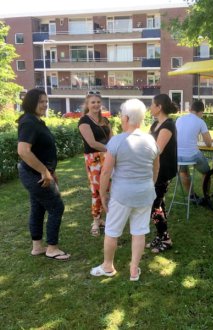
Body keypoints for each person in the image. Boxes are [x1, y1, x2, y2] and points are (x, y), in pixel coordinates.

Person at [90, 99, 159, 279]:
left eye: (121, 115)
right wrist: (150, 184)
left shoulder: (117, 141)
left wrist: (103, 194)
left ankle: (107, 267)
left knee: (112, 231)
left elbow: (105, 172)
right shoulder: (151, 140)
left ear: (126, 117)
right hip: (145, 193)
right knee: (139, 231)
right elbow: (156, 167)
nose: (121, 118)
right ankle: (134, 269)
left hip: (122, 194)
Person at [17, 88, 70, 260]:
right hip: (34, 174)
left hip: (38, 173)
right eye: (41, 101)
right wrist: (44, 172)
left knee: (38, 208)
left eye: (46, 101)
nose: (45, 105)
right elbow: (23, 151)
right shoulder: (29, 122)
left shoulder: (36, 121)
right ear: (31, 102)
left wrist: (50, 171)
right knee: (56, 207)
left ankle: (37, 247)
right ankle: (52, 248)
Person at [78, 91, 113, 236]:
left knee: (109, 188)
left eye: (98, 102)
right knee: (97, 190)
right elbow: (91, 142)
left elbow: (112, 137)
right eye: (93, 102)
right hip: (94, 159)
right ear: (87, 105)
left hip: (109, 157)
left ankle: (106, 219)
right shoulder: (84, 121)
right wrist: (110, 150)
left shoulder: (105, 120)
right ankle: (96, 220)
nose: (96, 105)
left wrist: (113, 150)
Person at [147, 94, 178, 253]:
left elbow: (156, 150)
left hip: (163, 170)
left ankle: (166, 239)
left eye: (152, 105)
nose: (150, 107)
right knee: (158, 202)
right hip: (155, 169)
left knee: (155, 205)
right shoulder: (155, 125)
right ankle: (160, 236)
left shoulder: (168, 125)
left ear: (159, 107)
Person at [175, 100, 212, 203]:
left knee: (183, 171)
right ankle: (206, 196)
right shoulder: (200, 121)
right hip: (192, 155)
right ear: (201, 112)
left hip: (177, 155)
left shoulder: (179, 119)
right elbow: (209, 143)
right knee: (206, 172)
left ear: (190, 110)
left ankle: (191, 196)